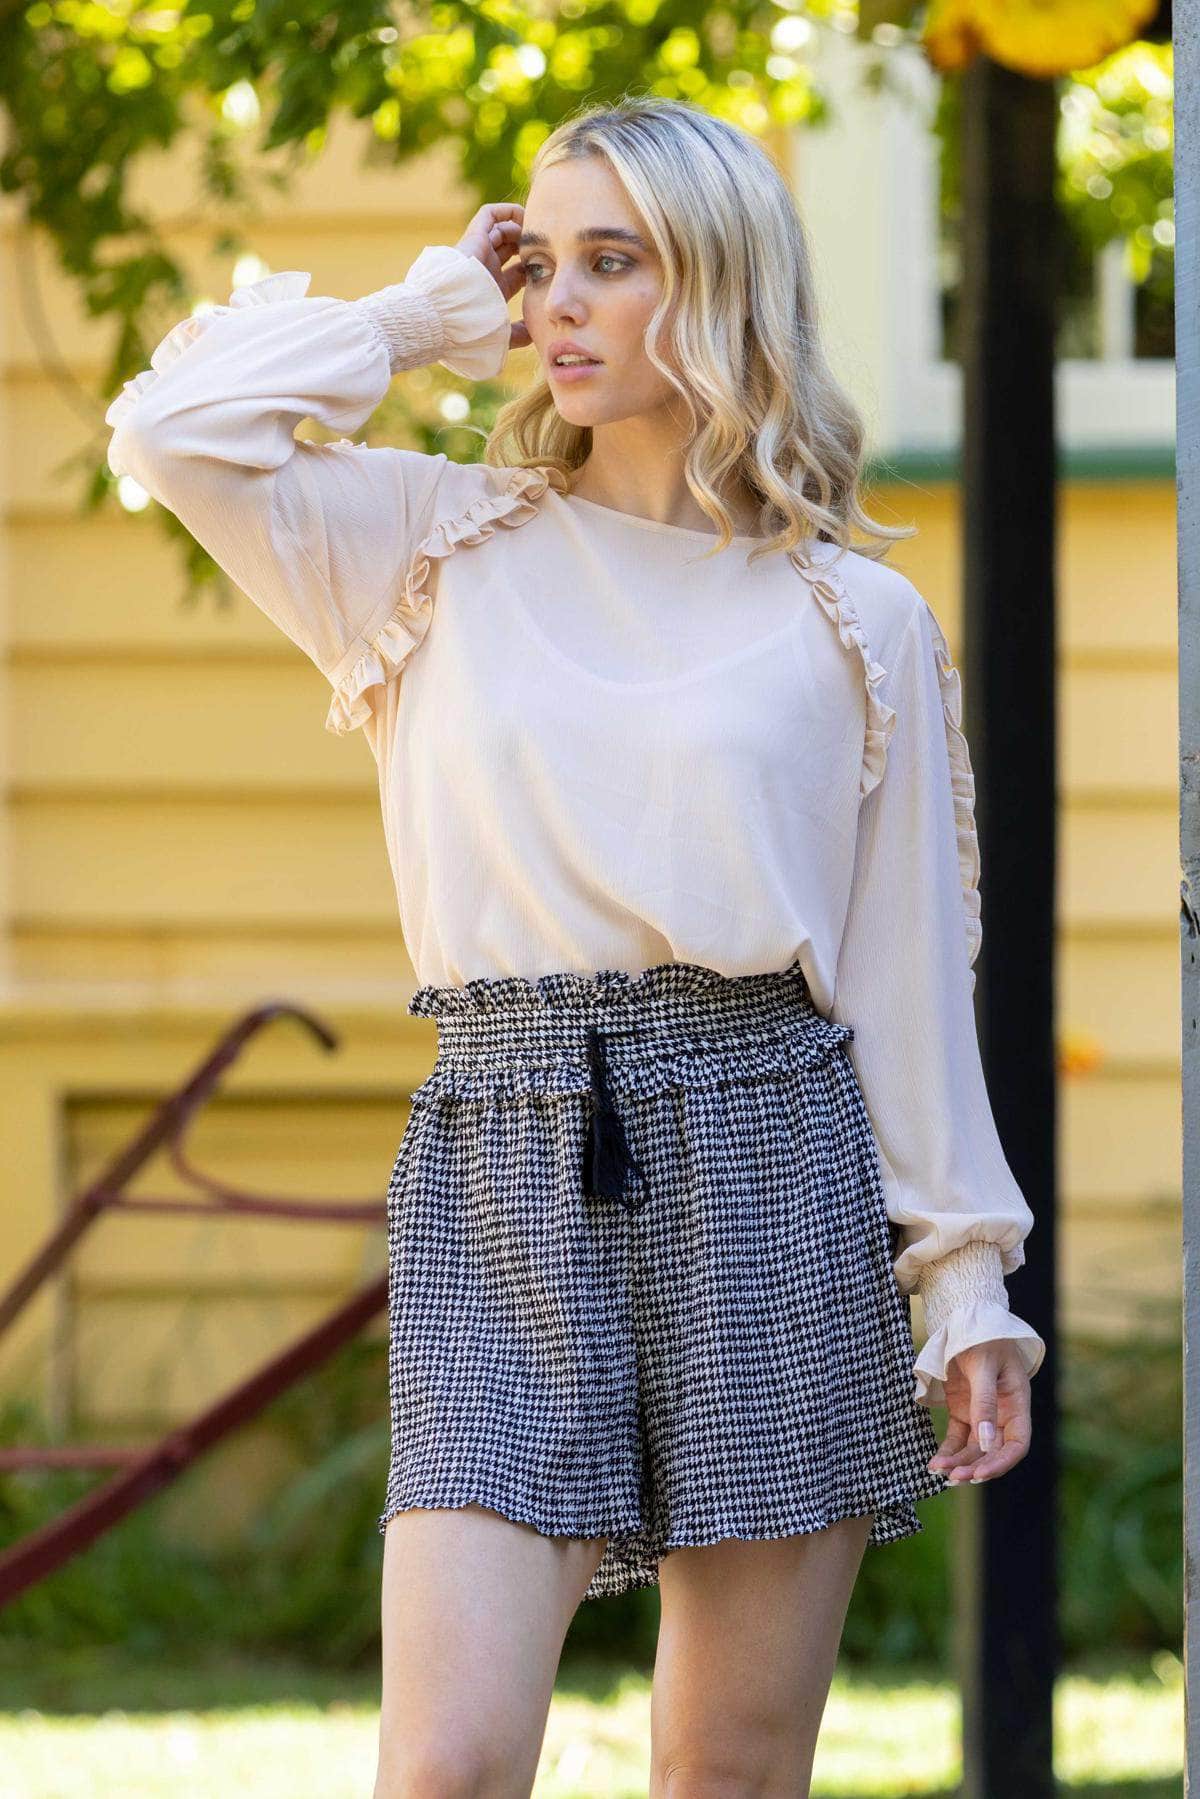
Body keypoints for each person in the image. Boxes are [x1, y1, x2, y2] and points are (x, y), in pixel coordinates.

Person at [106, 93, 1046, 1799]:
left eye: (614, 261)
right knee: (446, 1768)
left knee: (728, 1770)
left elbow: (907, 977)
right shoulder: (426, 547)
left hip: (773, 1155)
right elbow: (179, 430)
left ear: (722, 281)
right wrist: (425, 314)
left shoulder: (854, 618)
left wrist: (964, 1278)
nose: (558, 305)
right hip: (506, 1150)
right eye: (539, 264)